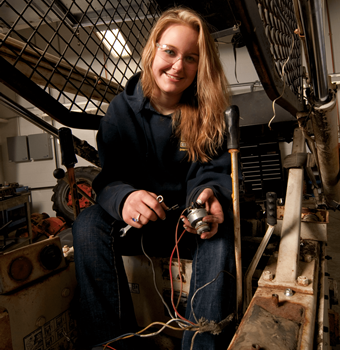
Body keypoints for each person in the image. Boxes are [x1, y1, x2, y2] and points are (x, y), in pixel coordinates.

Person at [72, 6, 236, 350]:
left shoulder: (208, 115)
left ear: (200, 66)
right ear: (153, 50)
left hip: (184, 226)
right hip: (135, 226)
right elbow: (109, 179)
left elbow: (212, 171)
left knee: (219, 235)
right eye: (170, 52)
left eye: (191, 58)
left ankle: (200, 344)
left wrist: (209, 196)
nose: (178, 66)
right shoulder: (121, 110)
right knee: (87, 224)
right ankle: (113, 342)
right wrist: (126, 198)